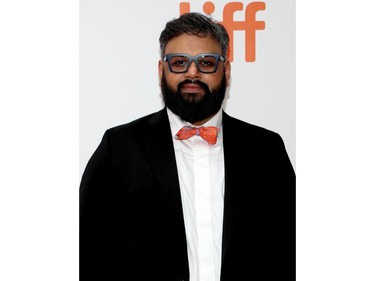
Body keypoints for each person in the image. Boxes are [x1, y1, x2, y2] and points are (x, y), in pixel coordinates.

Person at [80, 12, 295, 281]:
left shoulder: (266, 151)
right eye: (179, 62)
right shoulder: (119, 148)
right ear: (161, 70)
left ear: (226, 71)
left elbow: (289, 252)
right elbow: (89, 255)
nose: (192, 72)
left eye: (206, 62)